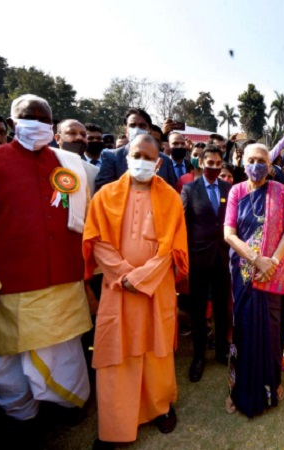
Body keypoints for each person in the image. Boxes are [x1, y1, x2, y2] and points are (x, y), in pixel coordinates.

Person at [0, 94, 92, 445]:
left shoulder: (68, 163)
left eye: (44, 119)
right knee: (7, 368)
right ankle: (23, 418)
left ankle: (67, 408)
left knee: (66, 356)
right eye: (29, 117)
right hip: (7, 289)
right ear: (13, 123)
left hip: (63, 285)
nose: (37, 124)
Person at [83, 134, 188, 449]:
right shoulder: (105, 195)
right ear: (126, 157)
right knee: (118, 353)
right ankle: (115, 425)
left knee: (156, 349)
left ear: (158, 162)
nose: (141, 160)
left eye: (148, 156)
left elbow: (171, 249)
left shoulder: (170, 197)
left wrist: (142, 278)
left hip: (156, 289)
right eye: (136, 154)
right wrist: (126, 275)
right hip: (119, 289)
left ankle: (159, 408)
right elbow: (97, 241)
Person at [224, 143, 284, 417]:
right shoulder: (236, 191)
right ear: (243, 163)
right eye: (251, 160)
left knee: (271, 328)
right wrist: (257, 260)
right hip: (244, 272)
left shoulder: (281, 191)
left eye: (262, 160)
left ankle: (272, 382)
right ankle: (237, 390)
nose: (256, 165)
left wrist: (273, 262)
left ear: (270, 165)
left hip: (273, 273)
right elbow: (229, 234)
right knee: (242, 329)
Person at [181, 145, 232, 382]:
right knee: (199, 310)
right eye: (209, 163)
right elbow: (182, 224)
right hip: (199, 259)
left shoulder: (228, 188)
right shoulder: (189, 190)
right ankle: (199, 357)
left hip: (223, 258)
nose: (213, 167)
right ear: (201, 163)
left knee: (223, 308)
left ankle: (222, 351)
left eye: (217, 163)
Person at [95, 108, 176, 191]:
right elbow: (102, 192)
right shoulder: (112, 157)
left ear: (150, 131)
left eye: (142, 126)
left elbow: (172, 192)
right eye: (132, 125)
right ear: (126, 130)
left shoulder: (165, 161)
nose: (137, 129)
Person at [55, 119, 100, 195]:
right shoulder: (45, 167)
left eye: (83, 134)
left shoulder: (95, 172)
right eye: (72, 133)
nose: (79, 137)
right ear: (58, 138)